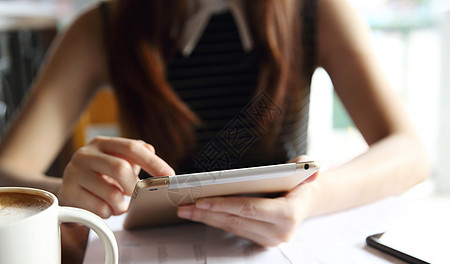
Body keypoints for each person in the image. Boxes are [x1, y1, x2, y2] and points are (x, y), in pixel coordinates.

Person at [0, 0, 429, 246]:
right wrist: (67, 192)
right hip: (149, 260)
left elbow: (409, 152)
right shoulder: (103, 26)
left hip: (277, 256)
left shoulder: (314, 11)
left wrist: (311, 199)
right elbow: (7, 169)